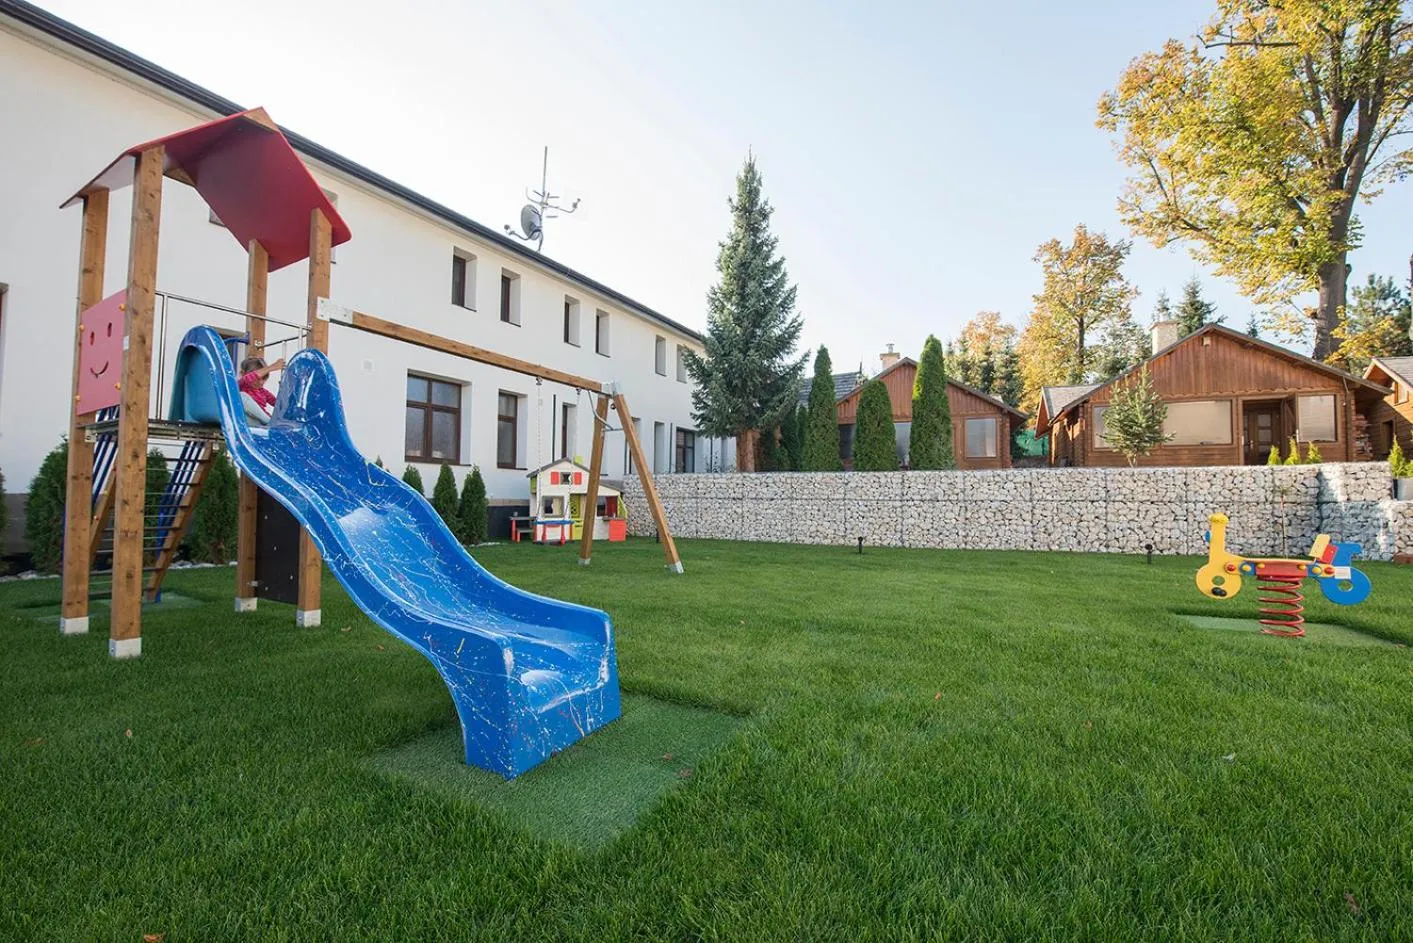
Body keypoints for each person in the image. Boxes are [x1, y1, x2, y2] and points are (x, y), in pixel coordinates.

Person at [238, 355, 285, 425]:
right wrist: (272, 367)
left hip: (261, 422)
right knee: (241, 396)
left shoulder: (263, 392)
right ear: (242, 374)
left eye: (264, 378)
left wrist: (283, 389)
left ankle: (271, 422)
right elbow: (248, 378)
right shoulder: (241, 385)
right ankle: (271, 423)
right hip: (246, 421)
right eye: (257, 378)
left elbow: (278, 404)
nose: (261, 382)